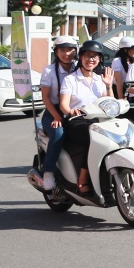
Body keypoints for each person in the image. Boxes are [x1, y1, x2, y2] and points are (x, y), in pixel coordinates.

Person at [59, 40, 114, 192]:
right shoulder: (70, 79)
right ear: (81, 57)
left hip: (98, 120)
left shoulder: (99, 79)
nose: (91, 59)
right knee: (93, 138)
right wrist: (71, 111)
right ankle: (83, 178)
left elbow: (110, 102)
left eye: (95, 57)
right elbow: (63, 104)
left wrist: (109, 85)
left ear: (99, 60)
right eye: (88, 56)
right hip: (76, 121)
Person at [29, 36, 79, 190]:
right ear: (56, 52)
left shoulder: (78, 67)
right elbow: (45, 97)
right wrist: (57, 116)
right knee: (58, 133)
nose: (67, 54)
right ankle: (48, 172)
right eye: (62, 50)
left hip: (75, 110)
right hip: (53, 111)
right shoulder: (49, 70)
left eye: (70, 50)